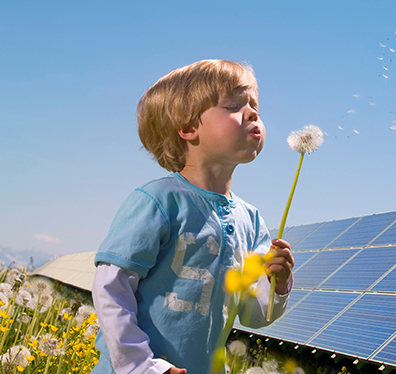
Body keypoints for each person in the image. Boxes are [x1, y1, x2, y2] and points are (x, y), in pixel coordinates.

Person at [91, 59, 294, 374]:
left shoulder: (252, 222)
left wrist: (277, 284)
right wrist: (140, 365)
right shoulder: (158, 201)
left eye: (255, 106)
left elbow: (254, 314)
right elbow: (112, 289)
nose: (253, 113)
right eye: (234, 105)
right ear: (187, 128)